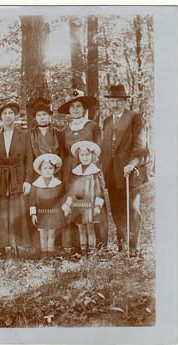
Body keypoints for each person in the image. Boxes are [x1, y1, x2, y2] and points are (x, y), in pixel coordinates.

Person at [58, 89, 108, 250]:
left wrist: (96, 172)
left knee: (92, 205)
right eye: (72, 107)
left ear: (84, 108)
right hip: (71, 172)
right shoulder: (65, 130)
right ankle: (76, 246)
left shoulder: (92, 126)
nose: (75, 109)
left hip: (90, 173)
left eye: (78, 106)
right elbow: (63, 152)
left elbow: (100, 150)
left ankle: (98, 245)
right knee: (74, 204)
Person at [101, 84, 146, 257]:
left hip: (130, 173)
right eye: (112, 101)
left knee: (132, 212)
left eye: (119, 101)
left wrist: (133, 163)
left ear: (124, 102)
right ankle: (123, 248)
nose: (115, 104)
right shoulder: (106, 121)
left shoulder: (135, 117)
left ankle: (135, 249)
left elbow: (140, 145)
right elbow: (104, 148)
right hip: (112, 174)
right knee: (117, 211)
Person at [0, 100, 33, 258]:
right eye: (5, 113)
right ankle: (1, 247)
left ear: (15, 116)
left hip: (17, 176)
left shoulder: (24, 135)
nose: (7, 116)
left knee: (17, 211)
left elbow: (29, 159)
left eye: (10, 113)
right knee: (0, 212)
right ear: (0, 117)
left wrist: (27, 180)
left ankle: (16, 246)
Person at [62, 141, 104, 256]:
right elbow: (71, 191)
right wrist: (68, 204)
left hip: (90, 205)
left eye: (87, 155)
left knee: (90, 228)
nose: (85, 158)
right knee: (81, 229)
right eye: (82, 155)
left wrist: (97, 205)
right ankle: (83, 251)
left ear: (92, 156)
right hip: (78, 205)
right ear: (78, 156)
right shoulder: (75, 172)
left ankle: (91, 251)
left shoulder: (95, 172)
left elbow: (99, 190)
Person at [29, 154, 65, 256]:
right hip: (41, 213)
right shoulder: (36, 185)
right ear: (40, 170)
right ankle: (44, 254)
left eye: (50, 168)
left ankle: (50, 254)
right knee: (43, 234)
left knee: (52, 233)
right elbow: (32, 200)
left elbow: (61, 199)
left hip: (54, 213)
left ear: (54, 169)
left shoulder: (58, 184)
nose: (47, 170)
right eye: (45, 168)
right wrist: (33, 214)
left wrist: (62, 211)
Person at [29, 97, 62, 171]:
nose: (42, 117)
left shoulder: (57, 133)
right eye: (39, 115)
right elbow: (29, 156)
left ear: (49, 116)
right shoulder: (30, 134)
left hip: (54, 168)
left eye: (44, 114)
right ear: (35, 118)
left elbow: (62, 154)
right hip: (37, 168)